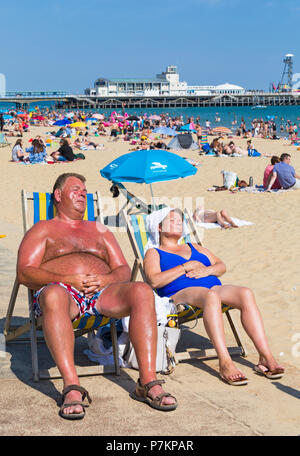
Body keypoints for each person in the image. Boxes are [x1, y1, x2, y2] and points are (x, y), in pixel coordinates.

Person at [17, 173, 177, 419]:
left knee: (142, 291)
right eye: (76, 189)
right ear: (58, 195)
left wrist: (106, 279)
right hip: (63, 293)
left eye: (85, 190)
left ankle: (147, 381)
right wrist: (67, 280)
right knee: (53, 296)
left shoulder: (99, 230)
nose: (83, 194)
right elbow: (25, 272)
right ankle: (72, 386)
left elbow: (123, 269)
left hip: (102, 292)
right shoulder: (43, 229)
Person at [143, 208, 284, 386]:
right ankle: (225, 362)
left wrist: (207, 270)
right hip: (178, 295)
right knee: (211, 296)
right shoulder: (154, 253)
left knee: (245, 293)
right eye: (171, 220)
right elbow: (154, 281)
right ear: (159, 227)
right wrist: (186, 266)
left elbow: (221, 266)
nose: (178, 222)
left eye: (180, 220)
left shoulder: (195, 246)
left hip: (212, 289)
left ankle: (266, 356)